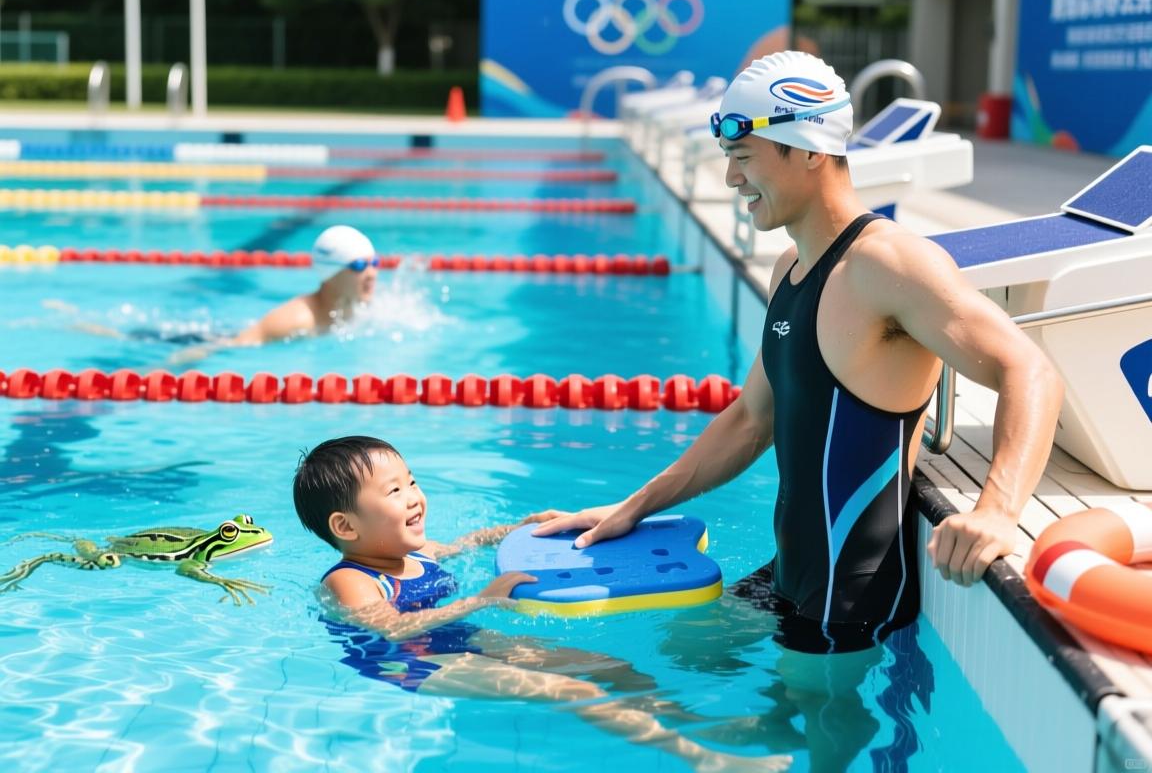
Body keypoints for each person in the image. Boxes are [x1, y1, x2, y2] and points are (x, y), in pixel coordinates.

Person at [534, 51, 1064, 769]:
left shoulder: (886, 265)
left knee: (769, 742)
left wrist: (998, 510)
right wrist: (634, 504)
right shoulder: (793, 266)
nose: (731, 178)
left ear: (806, 149)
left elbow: (1028, 367)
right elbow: (752, 418)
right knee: (674, 656)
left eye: (744, 156)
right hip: (789, 574)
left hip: (848, 610)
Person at [293, 435, 791, 772]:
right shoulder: (350, 581)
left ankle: (696, 721)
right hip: (411, 665)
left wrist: (518, 528)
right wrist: (480, 600)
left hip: (459, 639)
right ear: (345, 527)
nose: (413, 497)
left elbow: (464, 544)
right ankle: (706, 759)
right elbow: (391, 630)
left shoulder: (415, 551)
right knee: (569, 689)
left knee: (607, 664)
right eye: (394, 490)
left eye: (412, 481)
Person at [163, 224, 379, 364]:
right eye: (359, 265)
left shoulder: (360, 305)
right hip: (204, 340)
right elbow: (229, 347)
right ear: (330, 272)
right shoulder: (295, 321)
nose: (371, 273)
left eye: (374, 262)